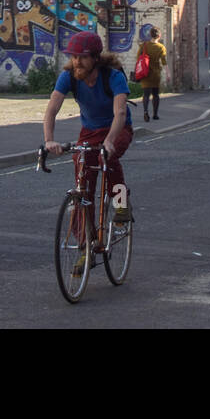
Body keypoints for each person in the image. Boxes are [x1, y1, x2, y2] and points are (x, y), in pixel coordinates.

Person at [44, 32, 133, 266]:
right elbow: (52, 109)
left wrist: (111, 140)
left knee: (108, 158)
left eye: (82, 57)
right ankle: (86, 245)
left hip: (118, 128)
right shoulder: (69, 76)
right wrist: (49, 140)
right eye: (74, 57)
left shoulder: (113, 76)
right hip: (90, 131)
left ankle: (122, 203)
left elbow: (120, 113)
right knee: (83, 183)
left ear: (95, 57)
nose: (77, 62)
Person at [138, 27, 167, 121]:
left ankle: (145, 112)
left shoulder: (144, 45)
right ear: (159, 35)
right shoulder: (161, 47)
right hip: (156, 74)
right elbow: (164, 62)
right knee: (155, 94)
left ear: (150, 34)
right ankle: (155, 114)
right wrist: (168, 73)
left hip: (145, 73)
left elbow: (138, 57)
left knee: (146, 94)